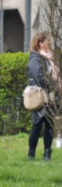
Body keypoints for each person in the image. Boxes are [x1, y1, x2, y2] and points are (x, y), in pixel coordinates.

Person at [28, 32, 57, 162]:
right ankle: (31, 154)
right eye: (46, 42)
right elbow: (38, 77)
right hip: (39, 95)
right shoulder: (35, 59)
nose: (48, 44)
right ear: (39, 43)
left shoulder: (48, 58)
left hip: (50, 96)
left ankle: (47, 154)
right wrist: (53, 84)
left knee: (49, 125)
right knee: (37, 125)